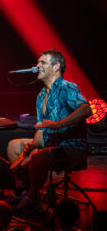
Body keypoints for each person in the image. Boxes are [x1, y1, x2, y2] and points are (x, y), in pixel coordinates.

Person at [6, 49, 92, 212]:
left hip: (72, 148)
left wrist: (57, 124)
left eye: (42, 63)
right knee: (13, 146)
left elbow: (86, 110)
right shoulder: (41, 96)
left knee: (40, 156)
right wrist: (32, 145)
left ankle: (32, 199)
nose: (37, 66)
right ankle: (21, 189)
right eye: (38, 63)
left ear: (56, 67)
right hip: (51, 144)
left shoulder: (67, 87)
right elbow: (42, 132)